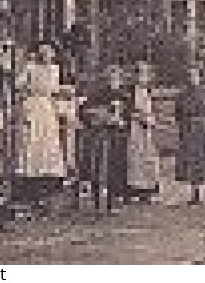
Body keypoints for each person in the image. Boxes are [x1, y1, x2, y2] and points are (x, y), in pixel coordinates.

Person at [12, 42, 68, 211]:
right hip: (32, 106)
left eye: (49, 52)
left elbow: (54, 89)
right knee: (31, 144)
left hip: (47, 107)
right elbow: (18, 84)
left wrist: (62, 94)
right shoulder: (30, 67)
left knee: (48, 145)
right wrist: (27, 90)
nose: (46, 55)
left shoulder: (55, 69)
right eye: (42, 52)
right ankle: (30, 189)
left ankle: (48, 189)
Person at [77, 65, 129, 214]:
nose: (114, 81)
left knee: (115, 168)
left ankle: (112, 201)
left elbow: (129, 116)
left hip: (117, 136)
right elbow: (84, 112)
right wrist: (100, 117)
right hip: (100, 134)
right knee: (98, 166)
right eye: (110, 78)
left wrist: (122, 121)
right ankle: (97, 199)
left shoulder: (124, 96)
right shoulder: (97, 95)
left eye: (116, 78)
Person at [174, 63, 205, 204]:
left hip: (204, 129)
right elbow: (178, 114)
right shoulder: (182, 95)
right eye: (190, 75)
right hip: (189, 129)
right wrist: (184, 128)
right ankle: (195, 194)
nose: (192, 78)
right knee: (192, 160)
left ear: (200, 77)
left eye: (195, 75)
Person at [124, 61, 162, 203]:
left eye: (146, 74)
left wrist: (150, 119)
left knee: (147, 158)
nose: (143, 77)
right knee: (134, 159)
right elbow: (127, 109)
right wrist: (136, 116)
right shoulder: (130, 91)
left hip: (145, 130)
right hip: (134, 129)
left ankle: (147, 190)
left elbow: (151, 110)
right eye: (140, 74)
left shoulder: (147, 92)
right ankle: (133, 190)